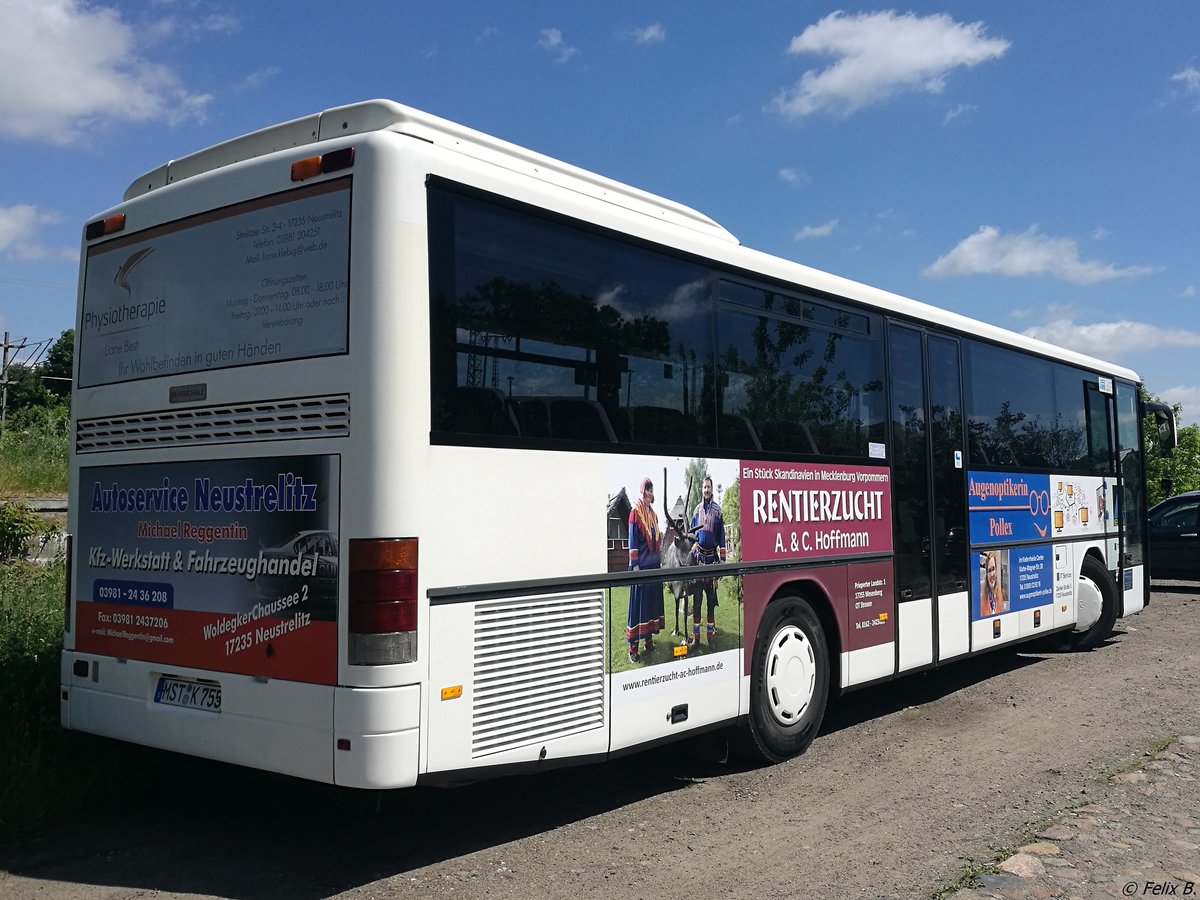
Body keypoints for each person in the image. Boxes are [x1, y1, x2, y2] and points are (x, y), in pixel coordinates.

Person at [626, 477, 665, 663]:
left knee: (651, 605)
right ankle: (632, 647)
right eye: (647, 489)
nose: (650, 493)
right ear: (642, 491)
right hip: (641, 567)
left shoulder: (655, 515)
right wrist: (635, 567)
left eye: (652, 489)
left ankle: (648, 640)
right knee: (638, 606)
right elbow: (633, 540)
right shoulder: (635, 512)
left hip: (654, 566)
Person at [688, 476, 726, 648]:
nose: (706, 490)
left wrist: (723, 560)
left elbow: (722, 536)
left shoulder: (718, 511)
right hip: (698, 562)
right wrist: (693, 544)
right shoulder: (696, 510)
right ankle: (696, 639)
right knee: (697, 602)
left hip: (712, 562)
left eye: (709, 487)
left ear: (711, 489)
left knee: (711, 602)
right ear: (702, 489)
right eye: (704, 487)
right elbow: (691, 533)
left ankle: (710, 637)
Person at [980, 550, 1007, 617]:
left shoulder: (1003, 595)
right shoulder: (981, 601)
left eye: (993, 569)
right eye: (989, 571)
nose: (992, 574)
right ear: (986, 574)